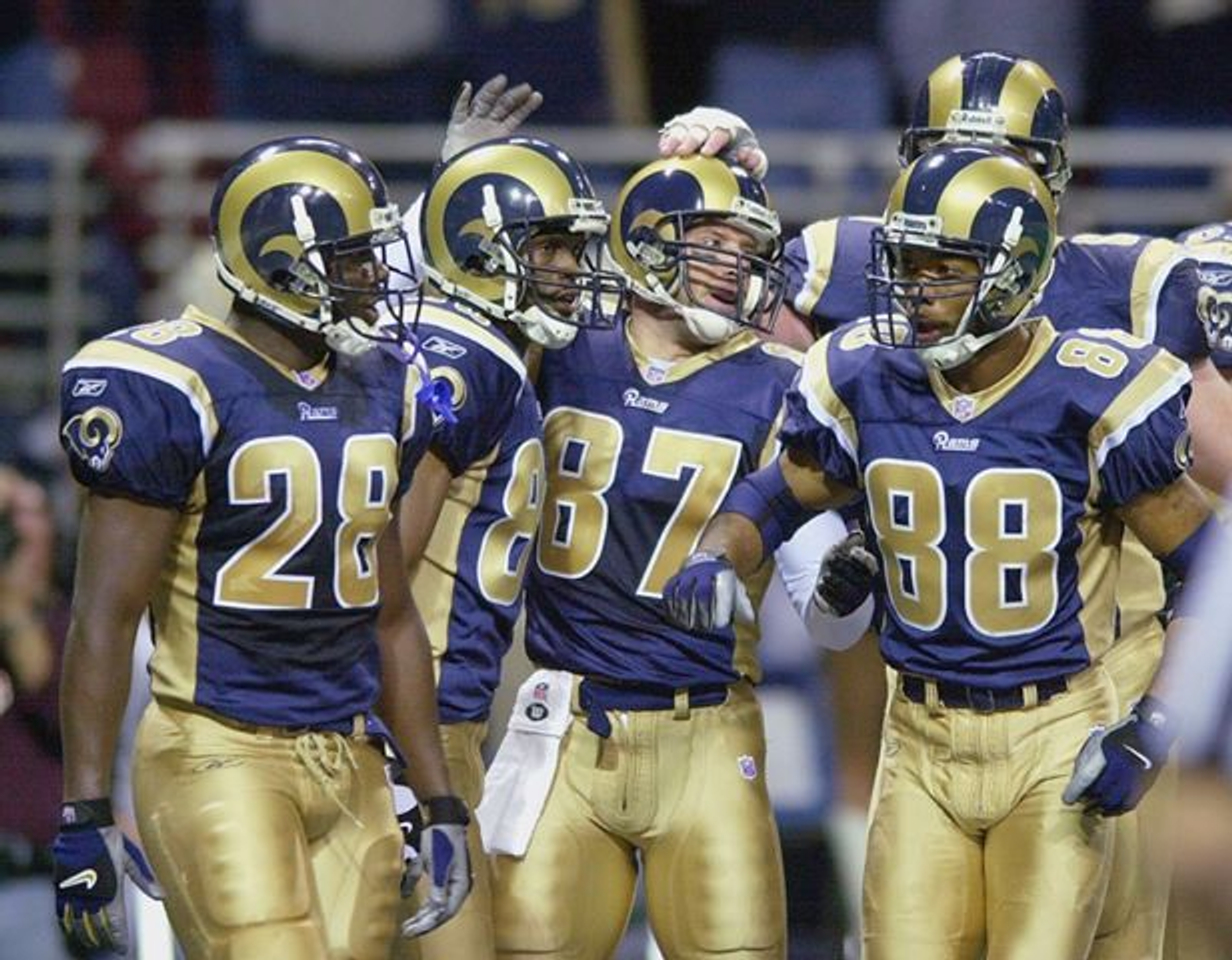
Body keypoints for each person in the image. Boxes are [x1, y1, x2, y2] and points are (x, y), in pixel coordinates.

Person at [661, 48, 1232, 957]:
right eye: (946, 151)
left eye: (1002, 156)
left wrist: (1164, 711)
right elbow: (717, 353)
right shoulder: (857, 265)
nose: (970, 173)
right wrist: (717, 196)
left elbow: (1206, 503)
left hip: (1101, 659)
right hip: (925, 636)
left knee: (1125, 934)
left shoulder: (1139, 282)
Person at [52, 135, 470, 959]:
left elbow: (390, 616)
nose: (376, 279)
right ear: (283, 265)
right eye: (353, 260)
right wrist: (84, 808)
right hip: (218, 750)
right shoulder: (174, 385)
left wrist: (440, 798)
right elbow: (104, 615)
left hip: (351, 757)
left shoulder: (385, 386)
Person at [483, 153, 797, 959]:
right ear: (648, 238)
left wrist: (837, 572)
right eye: (713, 242)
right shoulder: (556, 347)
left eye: (747, 249)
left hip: (708, 724)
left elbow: (831, 600)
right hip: (562, 719)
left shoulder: (781, 383)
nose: (736, 266)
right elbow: (452, 297)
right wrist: (460, 179)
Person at [392, 133, 628, 960]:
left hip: (440, 719)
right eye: (549, 248)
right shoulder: (470, 359)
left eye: (573, 248)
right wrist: (397, 753)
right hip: (409, 721)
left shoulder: (492, 355)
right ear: (478, 252)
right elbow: (380, 575)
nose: (570, 269)